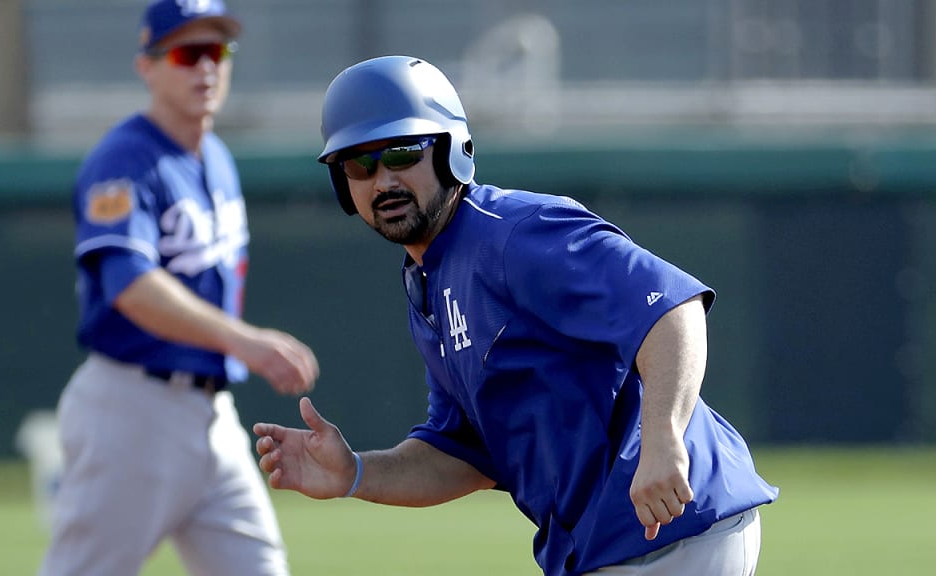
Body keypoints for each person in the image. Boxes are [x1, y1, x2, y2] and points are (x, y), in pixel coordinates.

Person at [254, 55, 777, 576]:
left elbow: (673, 309)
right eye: (359, 164)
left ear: (450, 151)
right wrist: (356, 473)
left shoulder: (514, 233)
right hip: (617, 546)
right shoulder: (428, 282)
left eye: (402, 152)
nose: (383, 180)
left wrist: (663, 437)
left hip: (671, 528)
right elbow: (463, 455)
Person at [38, 2, 319, 575]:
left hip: (210, 415)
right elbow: (131, 286)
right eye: (188, 53)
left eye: (216, 51)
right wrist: (243, 341)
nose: (206, 69)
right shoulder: (124, 159)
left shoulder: (215, 157)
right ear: (148, 65)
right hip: (131, 411)